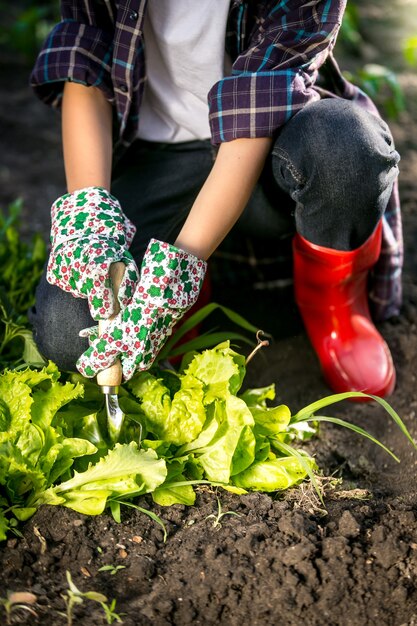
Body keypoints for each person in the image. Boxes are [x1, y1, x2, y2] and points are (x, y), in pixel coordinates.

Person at [29, 0, 402, 398]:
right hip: (156, 159)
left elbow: (256, 103)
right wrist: (90, 216)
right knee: (69, 331)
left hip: (272, 148)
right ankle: (197, 294)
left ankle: (335, 309)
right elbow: (87, 51)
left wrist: (173, 274)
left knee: (345, 147)